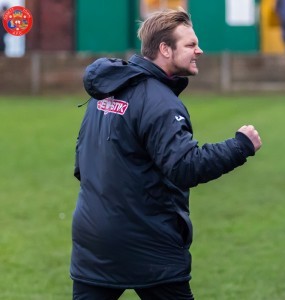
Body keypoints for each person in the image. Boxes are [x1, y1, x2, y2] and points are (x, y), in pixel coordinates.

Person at [70, 8, 262, 300]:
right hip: (148, 245)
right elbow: (185, 167)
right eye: (190, 45)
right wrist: (240, 145)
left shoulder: (106, 91)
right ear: (164, 49)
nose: (200, 50)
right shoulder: (158, 100)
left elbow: (81, 161)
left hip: (93, 240)